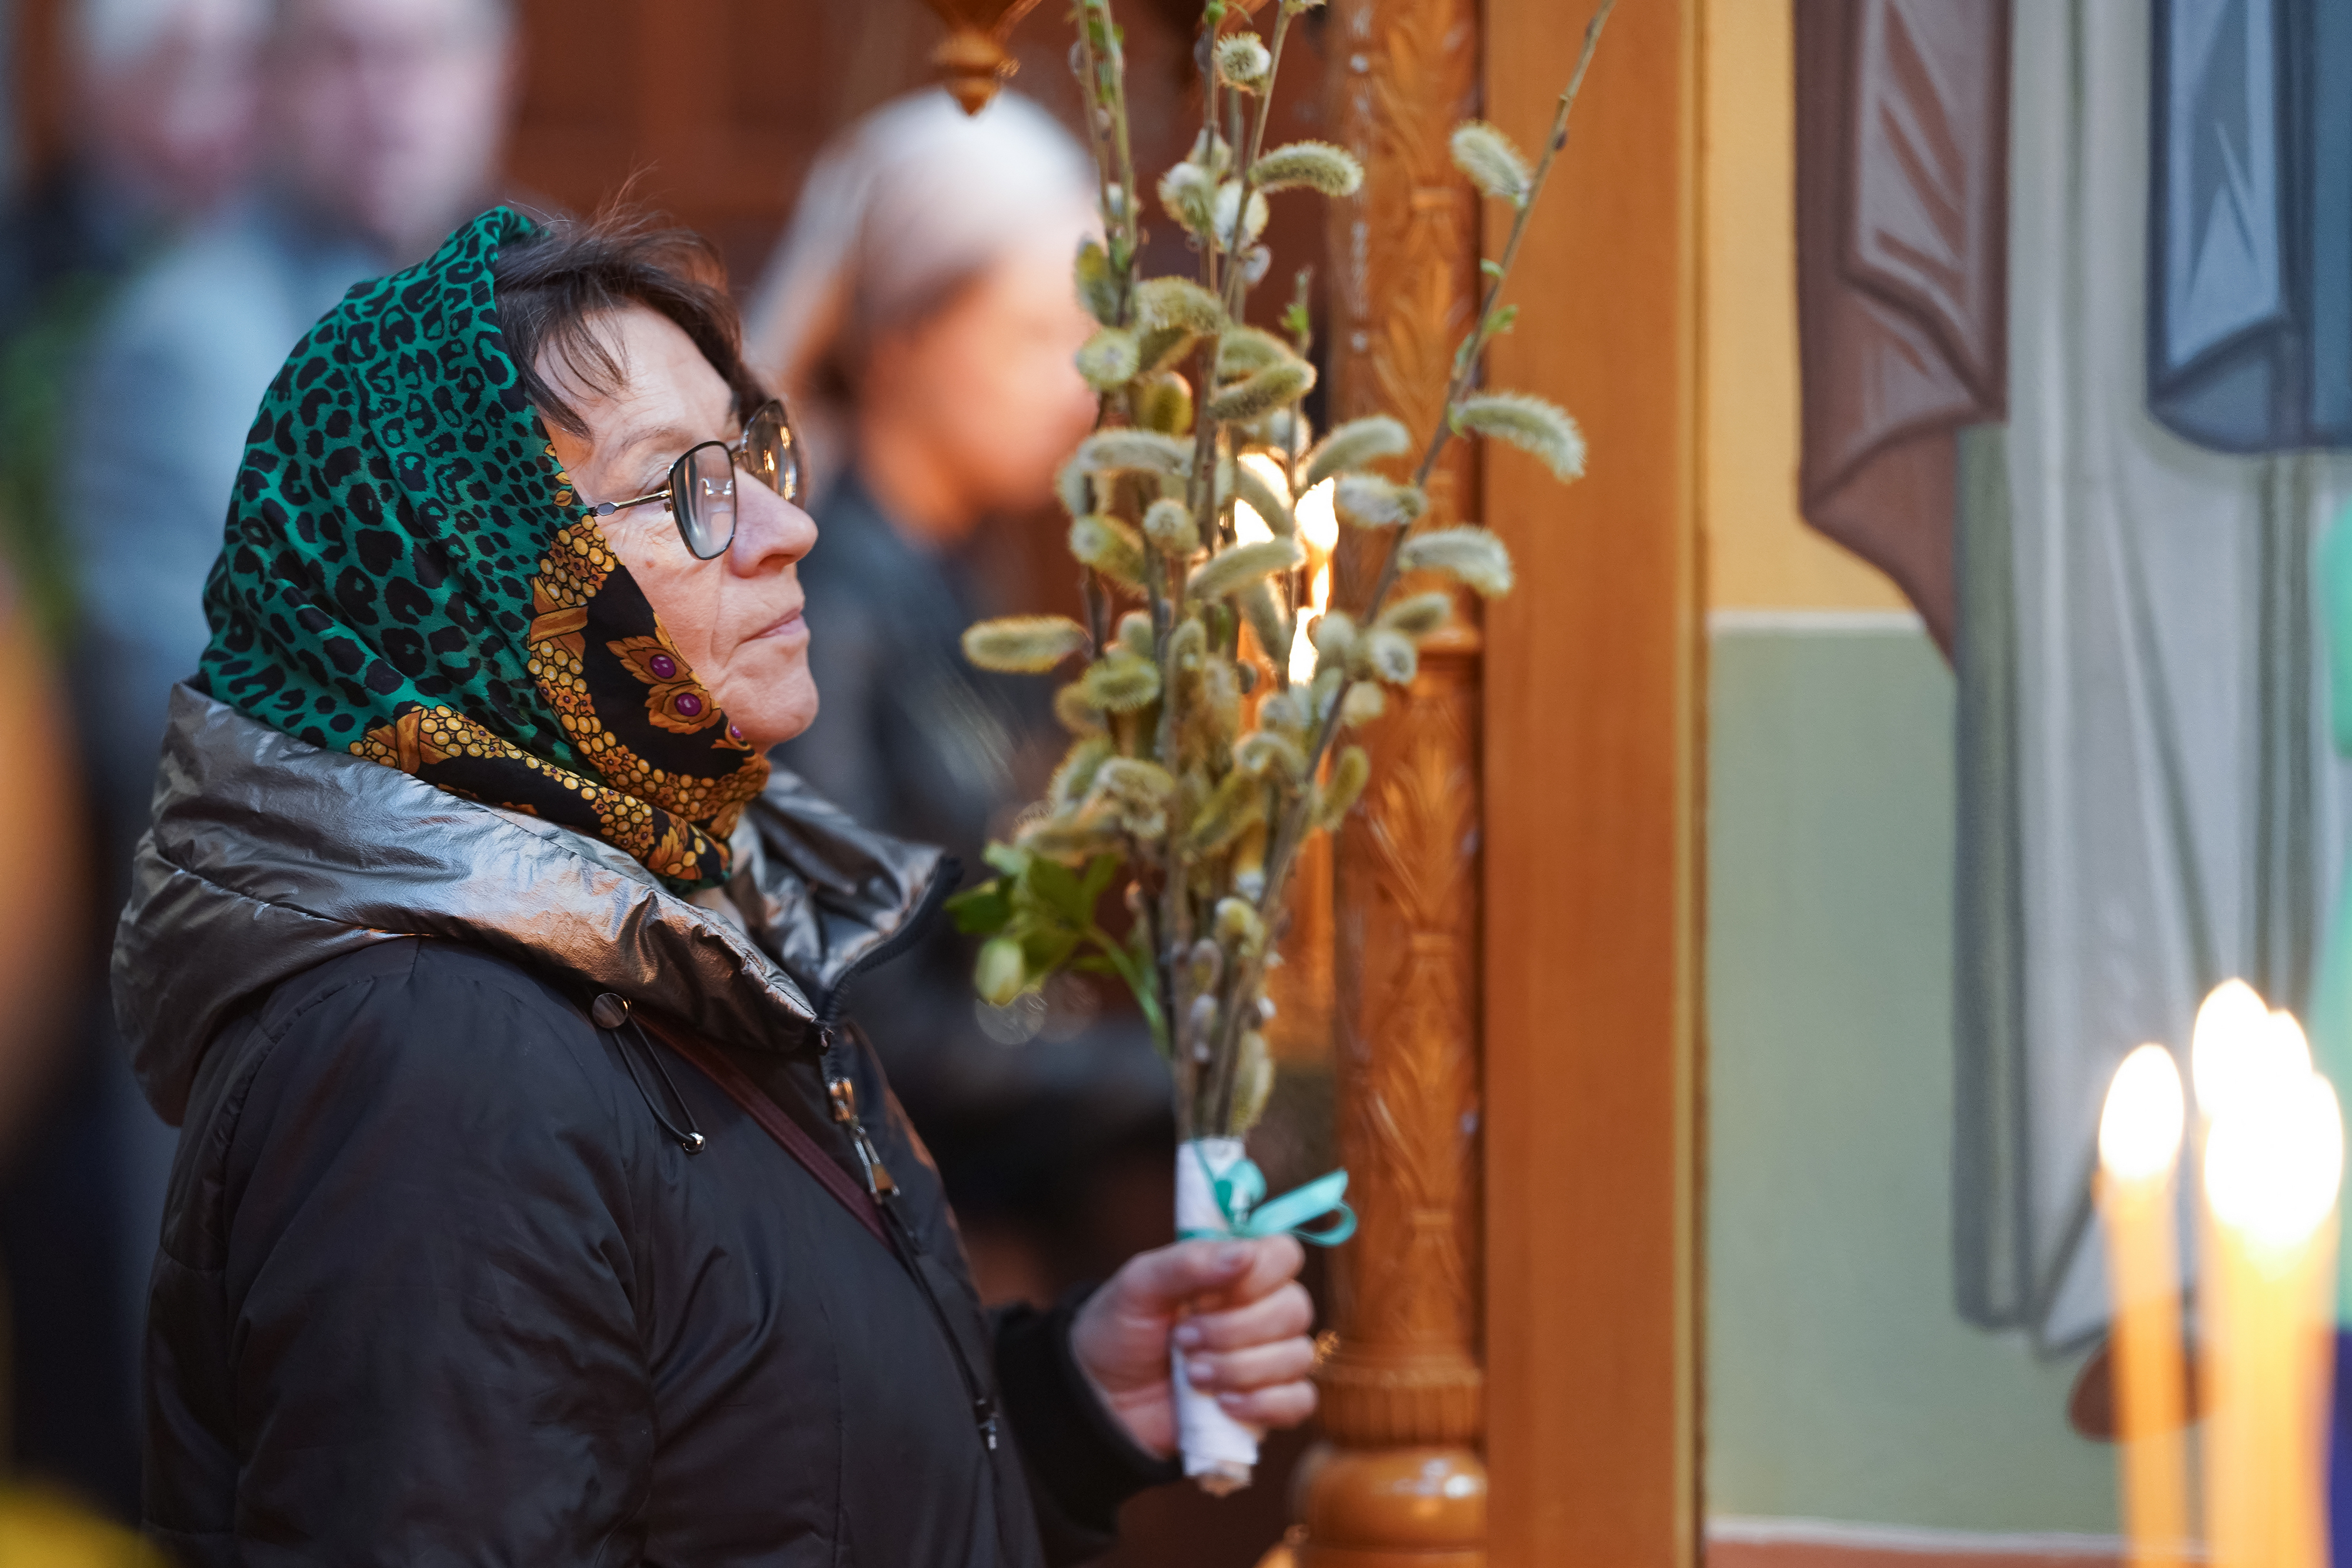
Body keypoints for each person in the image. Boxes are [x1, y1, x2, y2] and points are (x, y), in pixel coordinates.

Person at [122, 206, 1317, 1563]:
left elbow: (738, 1477)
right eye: (682, 485)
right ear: (486, 572)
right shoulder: (434, 1064)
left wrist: (1060, 1409)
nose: (786, 524)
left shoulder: (653, 925)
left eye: (751, 451)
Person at [746, 92, 1172, 1293]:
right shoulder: (821, 602)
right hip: (880, 1235)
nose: (1076, 380)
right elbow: (861, 1011)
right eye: (1032, 333)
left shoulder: (957, 572)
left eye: (1086, 333)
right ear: (900, 337)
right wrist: (1165, 1072)